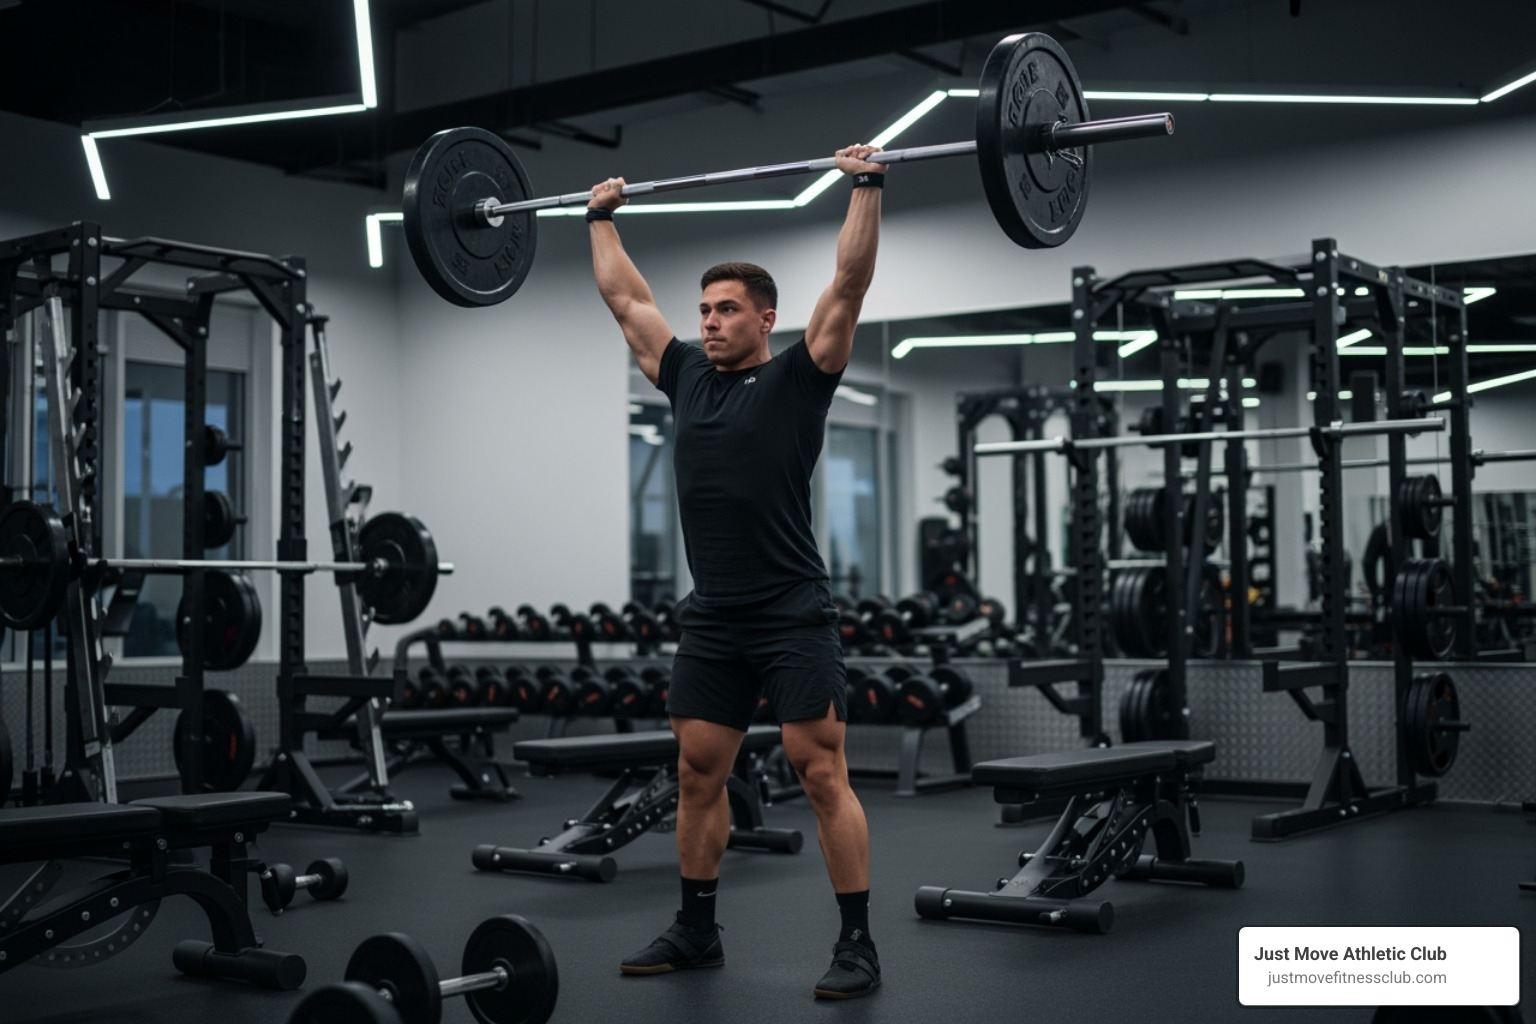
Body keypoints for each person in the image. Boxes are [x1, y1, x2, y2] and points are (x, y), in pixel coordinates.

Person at [585, 144, 887, 1000]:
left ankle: (858, 944)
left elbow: (850, 284)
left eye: (726, 310)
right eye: (705, 309)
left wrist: (865, 185)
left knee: (819, 770)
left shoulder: (800, 378)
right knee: (696, 771)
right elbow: (625, 298)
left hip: (791, 609)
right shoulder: (685, 377)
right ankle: (697, 928)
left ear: (765, 318)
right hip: (712, 615)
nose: (708, 321)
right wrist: (600, 217)